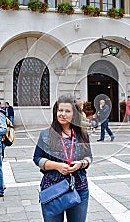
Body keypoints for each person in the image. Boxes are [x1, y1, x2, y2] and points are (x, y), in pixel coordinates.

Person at [33, 94, 92, 222]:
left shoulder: (82, 134)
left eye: (67, 111)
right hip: (52, 188)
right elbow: (37, 158)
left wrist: (81, 164)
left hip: (79, 187)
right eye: (60, 110)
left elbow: (89, 157)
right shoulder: (46, 134)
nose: (62, 114)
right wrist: (57, 166)